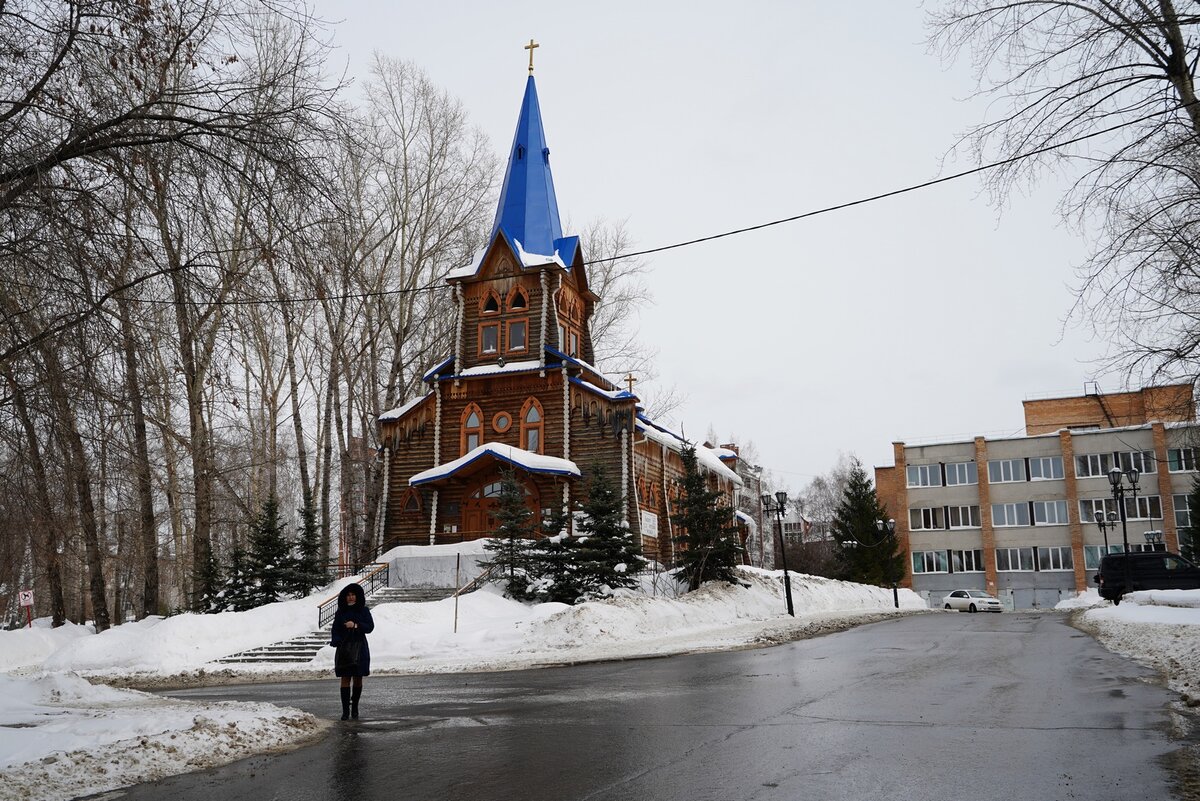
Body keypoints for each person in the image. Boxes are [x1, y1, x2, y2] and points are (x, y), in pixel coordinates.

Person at [330, 582, 374, 720]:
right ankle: (345, 711)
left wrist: (355, 625)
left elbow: (370, 627)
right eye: (348, 595)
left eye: (353, 595)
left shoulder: (363, 610)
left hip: (360, 647)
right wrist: (336, 639)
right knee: (345, 678)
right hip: (344, 648)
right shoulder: (340, 612)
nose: (351, 597)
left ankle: (354, 707)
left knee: (358, 678)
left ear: (357, 596)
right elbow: (335, 629)